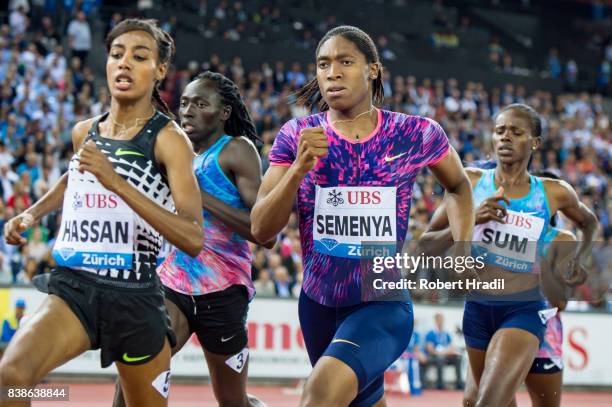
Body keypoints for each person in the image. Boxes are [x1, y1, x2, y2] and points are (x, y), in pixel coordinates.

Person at [251, 25, 475, 407]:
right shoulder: (297, 135)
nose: (332, 73)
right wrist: (298, 169)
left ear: (372, 69)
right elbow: (261, 230)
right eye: (323, 64)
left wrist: (462, 246)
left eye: (345, 62)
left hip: (381, 305)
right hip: (318, 305)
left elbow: (458, 186)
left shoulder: (414, 134)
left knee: (320, 395)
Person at [1, 19, 204, 407]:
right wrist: (32, 214)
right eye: (116, 54)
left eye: (139, 56)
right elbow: (74, 177)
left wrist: (117, 183)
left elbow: (193, 238)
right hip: (75, 286)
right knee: (11, 378)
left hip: (136, 297)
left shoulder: (170, 140)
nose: (124, 63)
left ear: (160, 70)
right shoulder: (86, 132)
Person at [421, 103, 598, 407]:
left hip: (524, 308)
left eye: (516, 132)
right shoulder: (470, 183)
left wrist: (579, 258)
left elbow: (589, 222)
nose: (505, 138)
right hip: (477, 308)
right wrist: (471, 219)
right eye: (500, 131)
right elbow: (426, 245)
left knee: (487, 402)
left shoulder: (553, 192)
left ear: (535, 142)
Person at [113, 71, 270, 407]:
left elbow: (262, 232)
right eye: (184, 103)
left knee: (232, 401)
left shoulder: (236, 151)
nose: (188, 111)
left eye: (201, 104)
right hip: (174, 283)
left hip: (223, 292)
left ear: (224, 112)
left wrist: (195, 191)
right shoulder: (178, 155)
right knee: (133, 370)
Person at [423, 313, 463, 390]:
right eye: (439, 320)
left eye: (442, 320)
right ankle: (440, 384)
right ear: (435, 321)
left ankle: (459, 383)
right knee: (440, 358)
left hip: (446, 355)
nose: (440, 322)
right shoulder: (431, 333)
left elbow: (452, 347)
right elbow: (430, 349)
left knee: (458, 358)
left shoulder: (446, 334)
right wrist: (441, 353)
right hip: (435, 357)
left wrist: (447, 352)